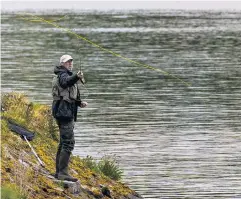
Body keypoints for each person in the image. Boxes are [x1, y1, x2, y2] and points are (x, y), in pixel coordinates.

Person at [52, 54, 88, 182]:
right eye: (67, 62)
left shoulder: (67, 75)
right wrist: (76, 76)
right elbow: (65, 82)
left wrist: (79, 103)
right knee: (68, 142)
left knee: (63, 142)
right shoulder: (63, 75)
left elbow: (68, 94)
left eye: (71, 62)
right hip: (64, 113)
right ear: (62, 64)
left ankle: (59, 172)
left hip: (65, 112)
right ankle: (63, 173)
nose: (70, 64)